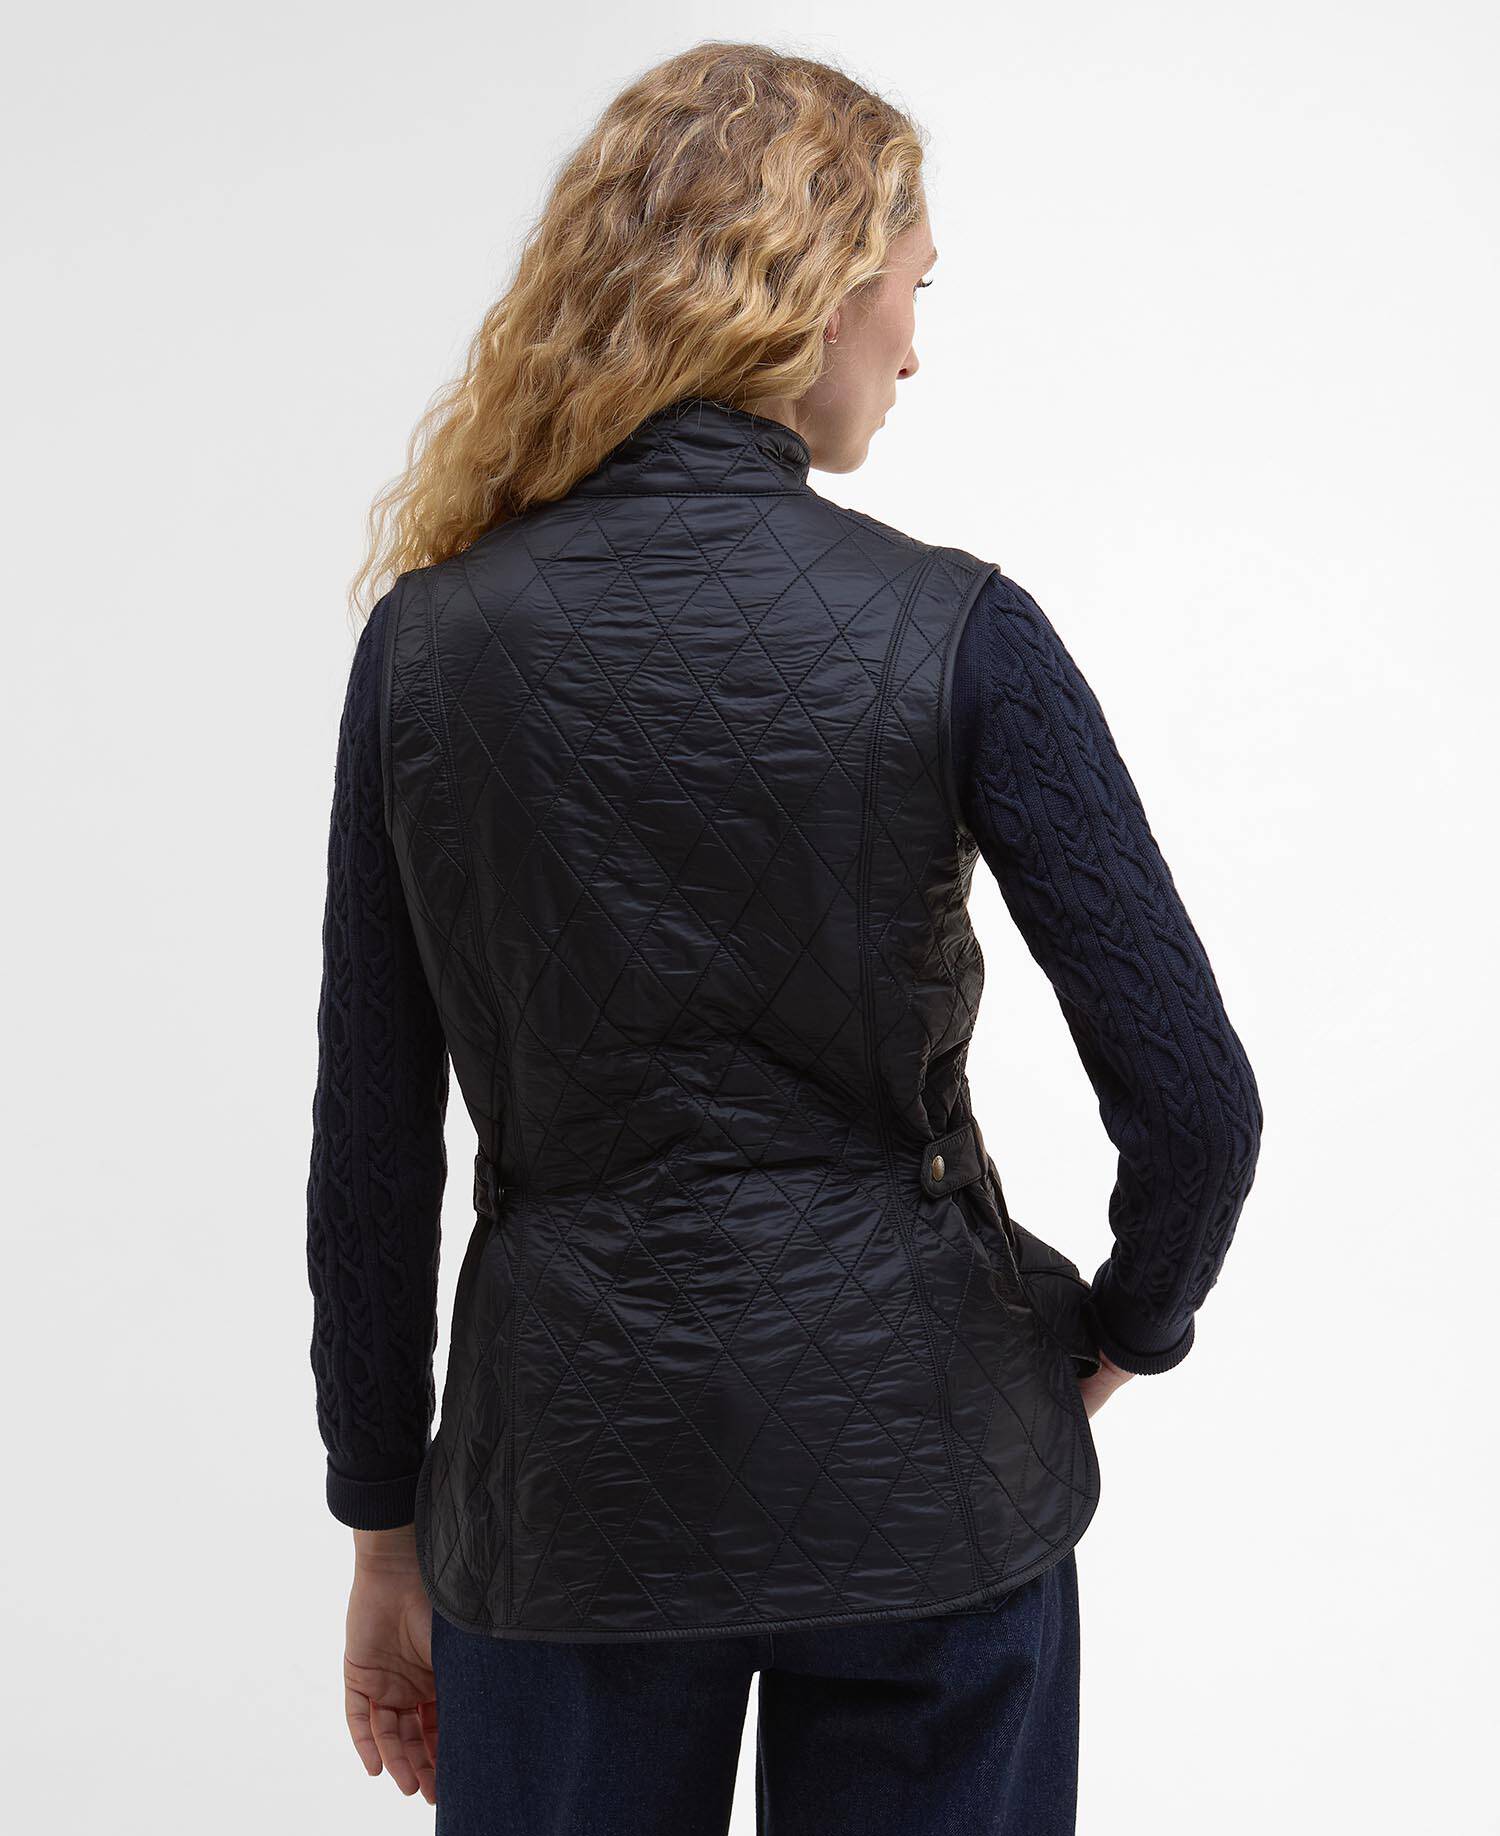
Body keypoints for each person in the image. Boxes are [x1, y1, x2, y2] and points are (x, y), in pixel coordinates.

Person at [305, 40, 1262, 1835]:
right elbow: (1199, 1106)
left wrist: (382, 1523)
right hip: (930, 1477)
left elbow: (371, 1144)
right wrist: (1112, 1342)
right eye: (911, 290)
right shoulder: (960, 630)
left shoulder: (424, 653)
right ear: (809, 289)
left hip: (567, 1494)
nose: (914, 347)